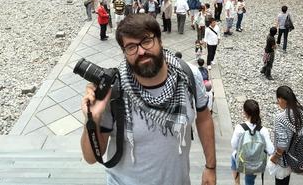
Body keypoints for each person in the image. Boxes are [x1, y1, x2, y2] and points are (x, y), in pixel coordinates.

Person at [81, 14, 216, 185]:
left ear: (160, 40)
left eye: (146, 41)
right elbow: (91, 158)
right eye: (131, 46)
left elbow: (204, 119)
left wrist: (210, 167)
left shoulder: (188, 75)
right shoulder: (114, 90)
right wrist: (91, 119)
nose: (141, 51)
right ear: (124, 53)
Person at [270, 86, 303, 185]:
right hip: (298, 154)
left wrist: (275, 157)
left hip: (284, 157)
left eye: (278, 100)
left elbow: (282, 144)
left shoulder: (280, 118)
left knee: (280, 181)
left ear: (280, 99)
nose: (277, 102)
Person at [231, 100, 274, 185]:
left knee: (234, 155)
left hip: (242, 161)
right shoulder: (263, 130)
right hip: (256, 163)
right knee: (251, 167)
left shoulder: (240, 128)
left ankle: (237, 183)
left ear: (245, 113)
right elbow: (271, 150)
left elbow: (234, 145)